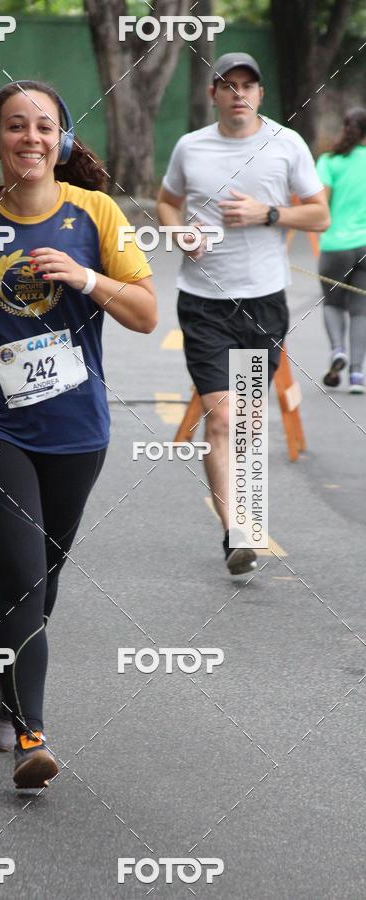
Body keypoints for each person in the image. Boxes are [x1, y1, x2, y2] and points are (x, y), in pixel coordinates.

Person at [0, 80, 156, 791]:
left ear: (63, 139)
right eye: (15, 126)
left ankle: (10, 688)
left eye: (43, 127)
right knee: (19, 577)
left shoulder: (96, 215)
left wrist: (83, 276)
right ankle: (32, 737)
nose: (30, 139)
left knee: (39, 582)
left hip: (75, 427)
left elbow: (143, 311)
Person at [156, 52, 330, 576]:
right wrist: (176, 232)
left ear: (260, 94)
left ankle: (244, 519)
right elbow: (167, 201)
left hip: (262, 302)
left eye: (247, 86)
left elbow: (320, 213)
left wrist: (268, 213)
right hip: (204, 302)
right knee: (223, 417)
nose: (238, 94)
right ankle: (236, 531)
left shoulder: (286, 144)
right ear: (213, 94)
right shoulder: (191, 146)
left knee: (250, 421)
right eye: (227, 85)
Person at [316, 107, 366, 394]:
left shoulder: (329, 161)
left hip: (335, 245)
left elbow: (321, 205)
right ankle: (358, 375)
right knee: (361, 312)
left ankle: (338, 351)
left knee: (334, 304)